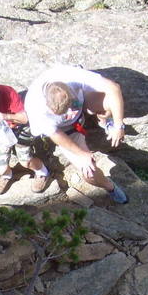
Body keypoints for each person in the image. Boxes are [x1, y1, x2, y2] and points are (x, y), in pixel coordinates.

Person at [24, 65, 129, 204]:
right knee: (89, 173)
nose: (69, 113)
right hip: (66, 130)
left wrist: (118, 124)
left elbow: (113, 88)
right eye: (63, 112)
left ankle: (103, 120)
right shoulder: (35, 108)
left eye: (69, 106)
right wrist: (82, 155)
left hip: (84, 102)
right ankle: (110, 187)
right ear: (48, 106)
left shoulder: (71, 76)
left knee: (110, 101)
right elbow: (57, 136)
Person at [0, 78, 50, 195]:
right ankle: (6, 175)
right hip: (0, 132)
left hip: (19, 126)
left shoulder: (7, 92)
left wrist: (4, 116)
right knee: (1, 167)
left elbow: (24, 118)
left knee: (25, 160)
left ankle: (42, 172)